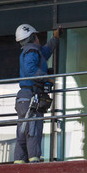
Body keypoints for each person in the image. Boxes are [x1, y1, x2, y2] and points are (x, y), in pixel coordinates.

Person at [14, 23, 62, 163]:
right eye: (37, 36)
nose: (38, 39)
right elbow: (31, 70)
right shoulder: (32, 51)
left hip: (24, 97)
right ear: (33, 37)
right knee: (33, 129)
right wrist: (47, 78)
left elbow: (45, 52)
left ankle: (19, 161)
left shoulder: (29, 52)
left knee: (22, 130)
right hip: (32, 97)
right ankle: (34, 160)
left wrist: (54, 38)